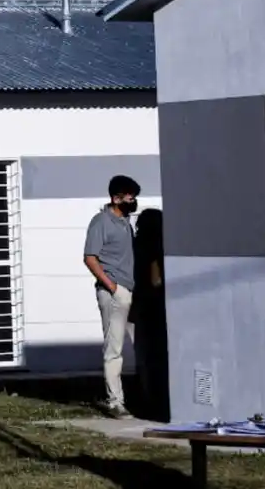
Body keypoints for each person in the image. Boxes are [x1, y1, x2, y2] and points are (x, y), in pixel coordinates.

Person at [84, 175, 140, 418]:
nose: (133, 200)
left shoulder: (126, 222)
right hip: (114, 293)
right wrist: (112, 287)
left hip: (130, 290)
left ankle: (139, 395)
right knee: (114, 348)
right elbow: (90, 257)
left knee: (138, 345)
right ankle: (115, 402)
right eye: (129, 196)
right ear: (116, 197)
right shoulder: (100, 222)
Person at [133, 207, 168, 421]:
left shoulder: (137, 244)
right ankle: (157, 401)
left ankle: (148, 398)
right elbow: (156, 280)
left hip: (142, 303)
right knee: (158, 356)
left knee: (146, 356)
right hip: (155, 305)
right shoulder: (155, 246)